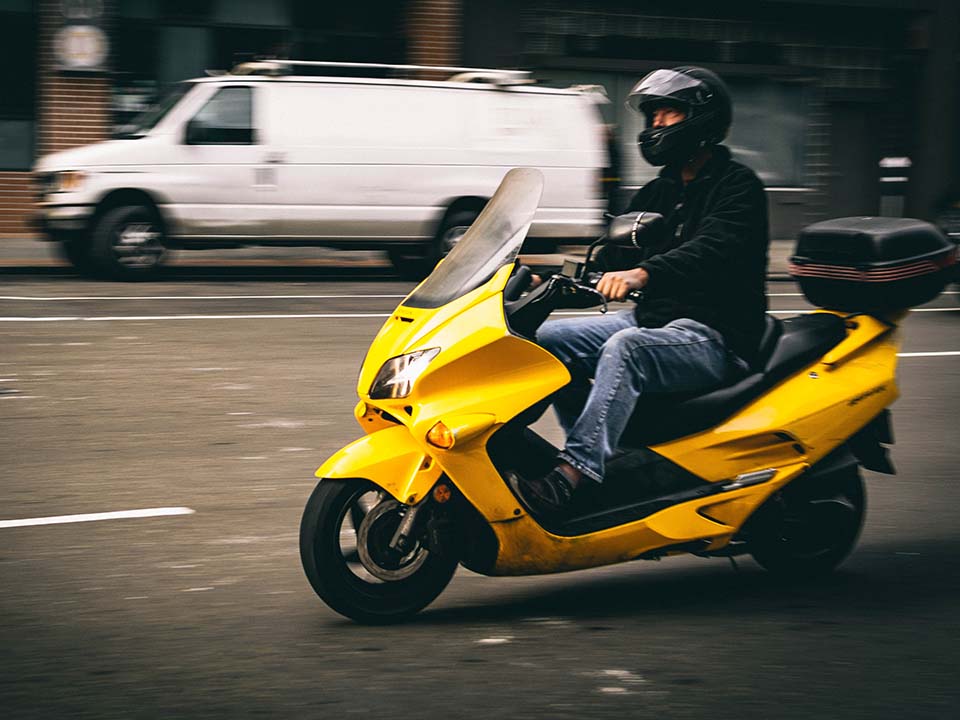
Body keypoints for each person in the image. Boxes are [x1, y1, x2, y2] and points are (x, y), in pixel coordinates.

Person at [514, 66, 770, 519]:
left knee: (625, 348)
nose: (656, 126)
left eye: (668, 114)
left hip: (716, 335)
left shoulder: (739, 188)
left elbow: (710, 251)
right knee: (545, 344)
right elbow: (612, 254)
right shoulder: (660, 190)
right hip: (654, 319)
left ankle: (575, 472)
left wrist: (641, 275)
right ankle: (597, 455)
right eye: (652, 117)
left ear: (702, 121)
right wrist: (542, 279)